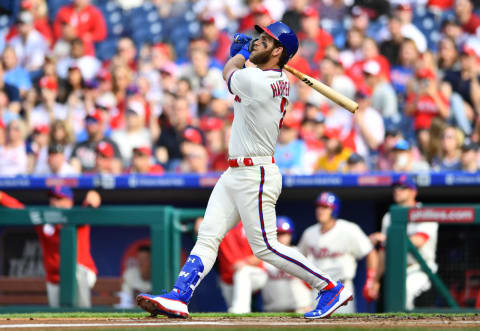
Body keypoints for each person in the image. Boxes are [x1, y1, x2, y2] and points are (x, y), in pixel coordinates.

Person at [136, 21, 352, 319]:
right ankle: (179, 295)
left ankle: (329, 287)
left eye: (267, 39)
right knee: (208, 236)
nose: (259, 40)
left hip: (257, 173)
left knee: (265, 247)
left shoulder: (258, 82)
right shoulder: (266, 76)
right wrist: (244, 55)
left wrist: (237, 54)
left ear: (279, 51)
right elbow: (245, 69)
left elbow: (228, 73)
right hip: (235, 171)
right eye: (260, 36)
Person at [0, 186, 100, 307]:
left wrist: (93, 195)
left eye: (58, 198)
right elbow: (19, 209)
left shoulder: (79, 215)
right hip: (55, 278)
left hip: (82, 273)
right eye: (52, 198)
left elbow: (93, 200)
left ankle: (84, 315)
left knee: (77, 271)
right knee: (58, 318)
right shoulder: (44, 221)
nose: (54, 201)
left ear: (69, 202)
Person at [298, 192, 379, 313]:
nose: (320, 210)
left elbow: (370, 252)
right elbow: (299, 257)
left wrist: (371, 280)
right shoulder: (309, 233)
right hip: (318, 290)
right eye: (319, 206)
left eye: (325, 207)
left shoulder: (349, 229)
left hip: (341, 288)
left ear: (334, 210)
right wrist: (304, 279)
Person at [369, 175, 439, 310]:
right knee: (391, 309)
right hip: (397, 271)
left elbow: (418, 241)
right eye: (395, 187)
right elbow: (383, 252)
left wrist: (388, 240)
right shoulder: (389, 217)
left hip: (421, 269)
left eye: (403, 187)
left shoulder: (425, 213)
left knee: (407, 293)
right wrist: (376, 280)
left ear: (413, 192)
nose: (397, 190)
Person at [262, 216, 313, 313]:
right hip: (272, 311)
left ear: (291, 235)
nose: (281, 237)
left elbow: (313, 282)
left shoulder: (299, 253)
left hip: (300, 309)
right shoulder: (264, 256)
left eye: (285, 234)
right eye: (278, 233)